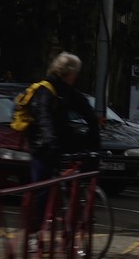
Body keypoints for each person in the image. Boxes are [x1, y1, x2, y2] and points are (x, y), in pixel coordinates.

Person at [25, 52, 101, 185]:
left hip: (60, 135)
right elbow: (44, 117)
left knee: (90, 149)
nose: (77, 75)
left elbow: (86, 110)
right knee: (43, 185)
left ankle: (78, 184)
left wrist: (94, 130)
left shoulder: (68, 91)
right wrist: (49, 139)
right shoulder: (45, 90)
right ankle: (41, 203)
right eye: (76, 72)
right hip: (41, 141)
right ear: (68, 72)